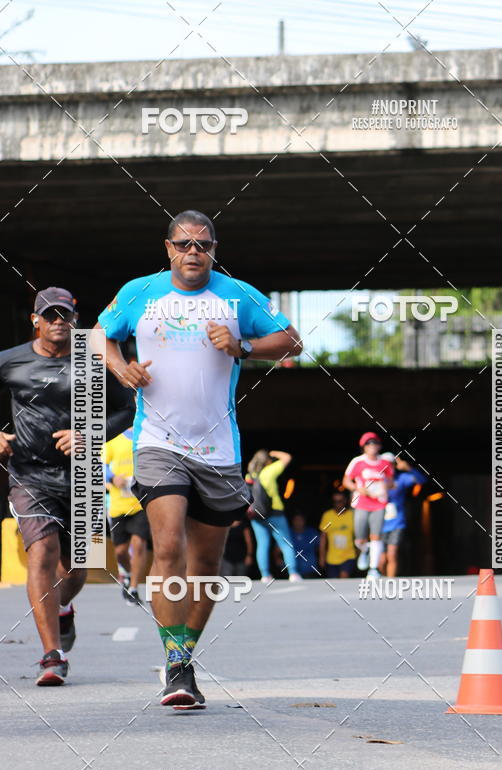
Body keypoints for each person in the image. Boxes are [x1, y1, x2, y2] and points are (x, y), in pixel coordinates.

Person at [95, 209, 302, 708]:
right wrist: (120, 367)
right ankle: (175, 666)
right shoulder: (139, 292)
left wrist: (243, 345)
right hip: (158, 442)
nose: (194, 252)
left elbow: (292, 341)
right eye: (184, 244)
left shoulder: (238, 296)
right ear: (168, 248)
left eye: (203, 245)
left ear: (214, 249)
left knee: (207, 564)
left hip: (219, 450)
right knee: (167, 547)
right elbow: (99, 334)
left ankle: (186, 654)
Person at [0, 288, 134, 685]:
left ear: (76, 318)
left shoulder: (94, 357)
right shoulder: (10, 360)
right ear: (35, 319)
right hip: (30, 474)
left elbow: (128, 409)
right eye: (50, 315)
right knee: (42, 552)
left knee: (79, 566)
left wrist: (90, 434)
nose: (59, 321)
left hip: (85, 475)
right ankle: (51, 655)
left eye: (66, 315)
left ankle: (59, 609)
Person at [104, 427, 151, 606]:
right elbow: (100, 465)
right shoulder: (113, 439)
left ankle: (133, 588)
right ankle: (128, 573)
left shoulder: (146, 437)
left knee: (139, 545)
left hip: (140, 504)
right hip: (118, 505)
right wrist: (112, 477)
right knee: (121, 551)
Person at [343, 432, 394, 579]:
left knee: (376, 536)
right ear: (363, 447)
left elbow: (390, 481)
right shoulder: (357, 462)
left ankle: (373, 569)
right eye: (368, 444)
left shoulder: (384, 463)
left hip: (379, 503)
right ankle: (364, 551)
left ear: (379, 446)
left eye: (374, 443)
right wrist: (358, 489)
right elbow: (346, 481)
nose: (372, 446)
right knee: (360, 538)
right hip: (362, 503)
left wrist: (385, 486)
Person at [246, 449, 302, 583]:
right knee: (285, 544)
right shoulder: (269, 471)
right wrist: (274, 453)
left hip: (256, 514)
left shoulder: (249, 476)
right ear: (267, 461)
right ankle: (293, 573)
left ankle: (265, 575)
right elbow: (287, 457)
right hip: (275, 512)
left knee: (262, 544)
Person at [380, 452, 427, 577]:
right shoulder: (375, 479)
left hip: (397, 523)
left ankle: (390, 583)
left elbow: (422, 480)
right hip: (378, 523)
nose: (388, 467)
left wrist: (409, 468)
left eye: (391, 464)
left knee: (392, 555)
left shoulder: (401, 479)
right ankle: (381, 580)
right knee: (381, 559)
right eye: (385, 465)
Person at [318, 489, 356, 578]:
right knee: (334, 583)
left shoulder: (352, 515)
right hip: (332, 558)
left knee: (344, 577)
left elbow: (359, 535)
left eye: (340, 501)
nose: (337, 504)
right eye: (335, 502)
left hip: (348, 556)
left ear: (345, 501)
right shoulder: (327, 516)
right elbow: (323, 537)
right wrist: (321, 557)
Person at [290, 511, 319, 577]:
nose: (298, 522)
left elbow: (320, 548)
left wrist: (320, 560)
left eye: (300, 520)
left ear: (304, 521)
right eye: (296, 520)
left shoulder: (312, 532)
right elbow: (278, 550)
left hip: (311, 571)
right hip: (293, 573)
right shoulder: (288, 533)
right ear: (292, 521)